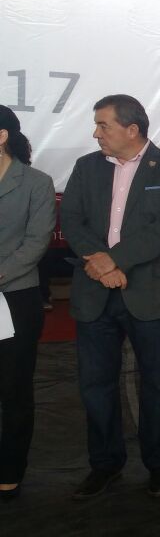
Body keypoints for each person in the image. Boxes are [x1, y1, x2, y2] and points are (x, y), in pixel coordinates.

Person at [62, 95, 160, 498]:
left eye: (103, 125)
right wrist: (102, 265)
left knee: (157, 384)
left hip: (151, 292)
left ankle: (159, 464)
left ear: (132, 129)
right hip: (94, 292)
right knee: (95, 385)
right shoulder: (86, 167)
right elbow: (72, 220)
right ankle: (105, 465)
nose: (95, 133)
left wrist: (115, 260)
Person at [0, 107, 55, 500]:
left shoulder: (36, 182)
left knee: (14, 387)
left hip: (15, 297)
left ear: (2, 136)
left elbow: (36, 243)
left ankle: (9, 470)